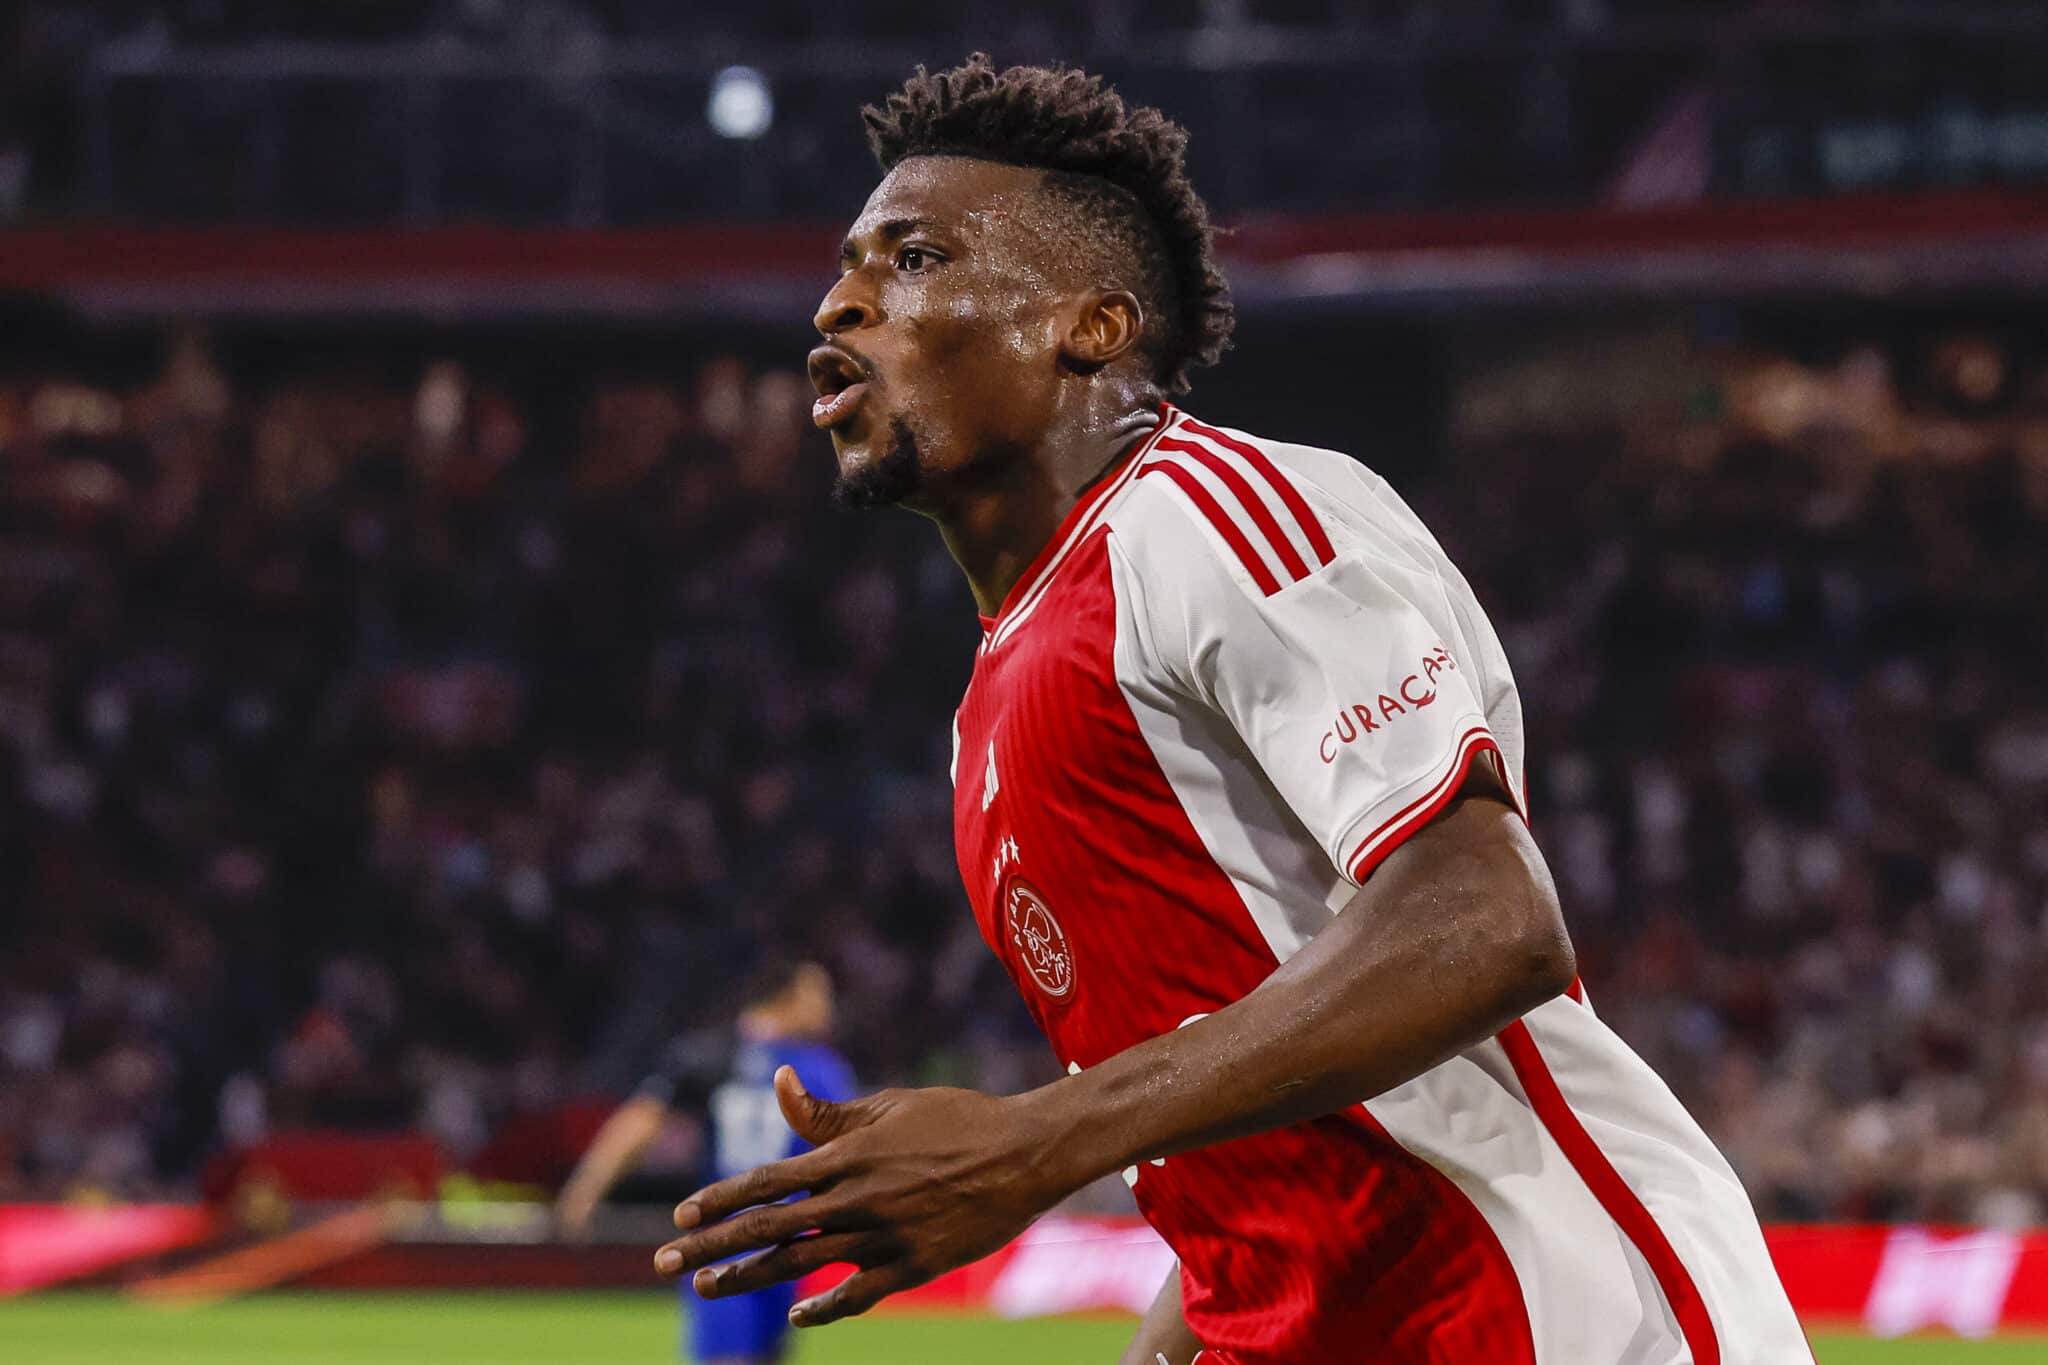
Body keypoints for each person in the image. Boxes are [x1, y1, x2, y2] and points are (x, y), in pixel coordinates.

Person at [653, 54, 1811, 1365]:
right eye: (847, 267)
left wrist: (1029, 1143)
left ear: (1091, 327)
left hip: (1560, 1321)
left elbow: (1489, 917)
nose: (840, 302)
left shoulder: (1203, 517)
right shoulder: (991, 710)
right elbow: (1229, 1142)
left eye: (912, 259)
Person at [563, 961, 853, 1365]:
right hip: (771, 1240)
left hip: (743, 1241)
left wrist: (586, 1188)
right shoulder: (822, 1070)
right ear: (786, 996)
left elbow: (640, 1121)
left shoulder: (708, 1053)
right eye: (818, 994)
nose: (828, 1007)